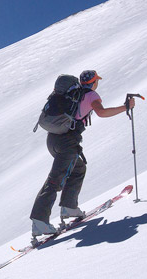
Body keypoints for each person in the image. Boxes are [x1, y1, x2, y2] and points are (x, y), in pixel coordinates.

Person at [29, 70, 135, 238]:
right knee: (55, 179)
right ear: (93, 82)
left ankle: (69, 207)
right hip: (67, 142)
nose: (97, 83)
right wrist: (126, 107)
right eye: (96, 80)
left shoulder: (70, 95)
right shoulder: (91, 95)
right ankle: (39, 222)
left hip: (53, 140)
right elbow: (102, 112)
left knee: (78, 168)